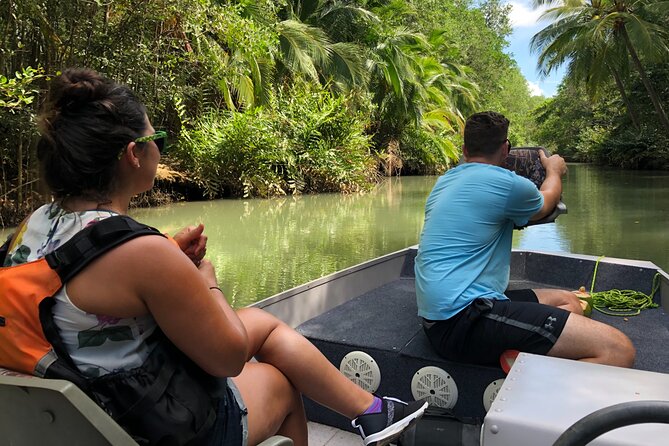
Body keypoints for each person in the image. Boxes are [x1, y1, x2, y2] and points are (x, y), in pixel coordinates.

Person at [4, 68, 427, 446]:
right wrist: (207, 280)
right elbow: (227, 358)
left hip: (77, 416)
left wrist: (168, 256)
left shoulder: (33, 225)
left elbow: (91, 278)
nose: (160, 151)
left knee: (264, 323)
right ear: (134, 154)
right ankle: (370, 413)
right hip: (147, 424)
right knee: (279, 383)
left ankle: (370, 411)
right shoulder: (143, 254)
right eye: (158, 140)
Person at [414, 111, 635, 369]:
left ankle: (519, 353)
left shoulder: (444, 181)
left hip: (439, 319)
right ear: (505, 149)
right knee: (619, 350)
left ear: (464, 150)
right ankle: (528, 372)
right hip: (463, 322)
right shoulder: (508, 184)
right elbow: (548, 199)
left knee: (570, 302)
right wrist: (554, 170)